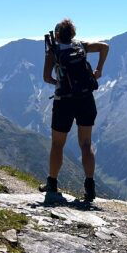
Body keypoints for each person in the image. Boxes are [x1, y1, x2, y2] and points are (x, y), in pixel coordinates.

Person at [42, 18, 109, 203]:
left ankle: (52, 184)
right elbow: (105, 47)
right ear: (73, 34)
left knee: (57, 144)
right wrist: (99, 70)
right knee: (86, 144)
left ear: (57, 35)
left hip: (63, 101)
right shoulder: (81, 46)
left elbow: (46, 77)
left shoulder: (53, 51)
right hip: (86, 99)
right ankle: (89, 188)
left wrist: (61, 84)